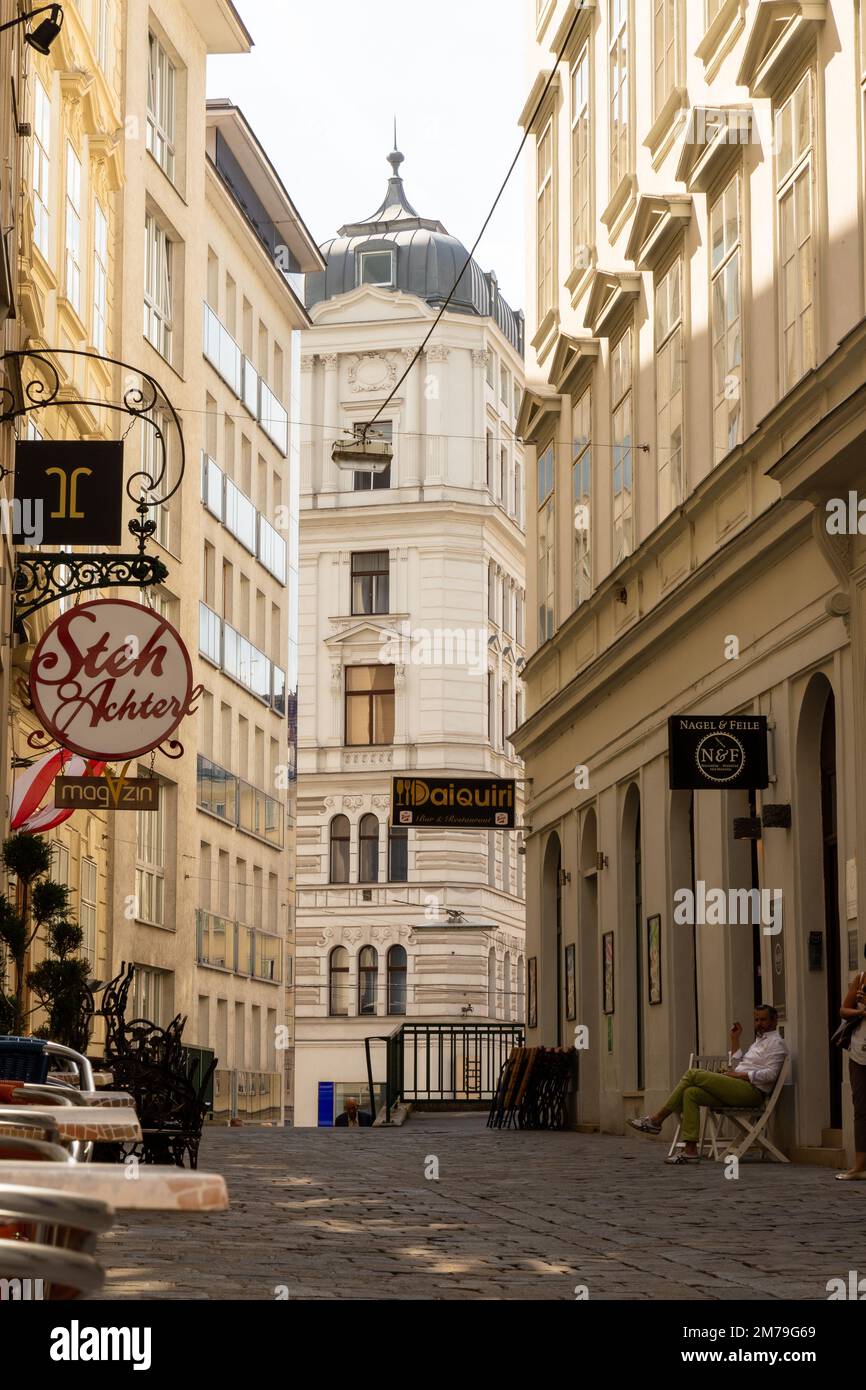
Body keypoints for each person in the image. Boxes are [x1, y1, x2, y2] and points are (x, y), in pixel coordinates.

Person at [628, 1004, 788, 1164]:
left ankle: (656, 1120)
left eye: (763, 1019)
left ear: (774, 1021)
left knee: (693, 1074)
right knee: (690, 1093)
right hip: (737, 1087)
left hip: (751, 1093)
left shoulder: (776, 1043)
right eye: (757, 1019)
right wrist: (735, 1040)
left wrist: (741, 1075)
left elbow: (771, 1074)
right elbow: (740, 1063)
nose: (759, 1023)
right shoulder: (758, 1042)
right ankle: (690, 1151)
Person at [836, 946, 866, 1180]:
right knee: (861, 1109)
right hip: (860, 1051)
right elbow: (844, 1010)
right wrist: (860, 1012)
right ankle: (860, 1165)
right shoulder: (861, 978)